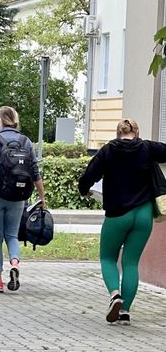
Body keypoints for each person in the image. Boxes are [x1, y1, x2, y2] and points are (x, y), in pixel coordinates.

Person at [78, 118, 166, 325]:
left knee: (108, 258)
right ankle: (125, 312)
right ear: (137, 132)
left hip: (118, 214)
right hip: (143, 214)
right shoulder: (147, 148)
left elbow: (88, 176)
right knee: (131, 262)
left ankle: (115, 295)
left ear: (118, 133)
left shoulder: (108, 151)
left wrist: (84, 190)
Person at [0, 106, 45, 293]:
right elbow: (35, 172)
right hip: (18, 195)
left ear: (0, 121)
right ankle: (15, 264)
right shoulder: (26, 141)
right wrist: (42, 196)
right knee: (12, 235)